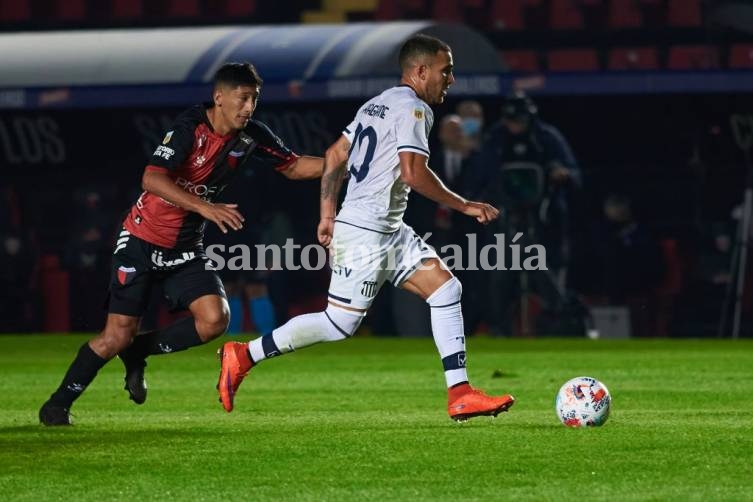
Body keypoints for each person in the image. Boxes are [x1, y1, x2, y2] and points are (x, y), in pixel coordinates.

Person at [217, 34, 515, 422]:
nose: (451, 80)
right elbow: (412, 172)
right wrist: (465, 205)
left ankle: (460, 393)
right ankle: (245, 354)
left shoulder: (378, 103)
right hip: (366, 232)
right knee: (339, 323)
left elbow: (334, 154)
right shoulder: (414, 111)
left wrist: (326, 214)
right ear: (421, 71)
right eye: (447, 71)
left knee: (446, 289)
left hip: (387, 227)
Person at [39, 63, 324, 426]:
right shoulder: (190, 127)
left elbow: (294, 165)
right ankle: (57, 405)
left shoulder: (252, 135)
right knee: (115, 336)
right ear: (219, 98)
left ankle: (138, 351)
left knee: (214, 320)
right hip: (141, 241)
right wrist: (206, 206)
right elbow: (151, 178)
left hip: (186, 248)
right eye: (242, 98)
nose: (249, 107)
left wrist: (343, 162)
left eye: (254, 99)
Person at [473, 90, 586, 336]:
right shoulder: (496, 139)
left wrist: (561, 174)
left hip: (545, 220)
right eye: (510, 121)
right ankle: (499, 328)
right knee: (499, 275)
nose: (515, 126)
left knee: (544, 270)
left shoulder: (547, 137)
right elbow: (479, 178)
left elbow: (575, 175)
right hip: (505, 222)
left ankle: (561, 321)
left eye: (519, 121)